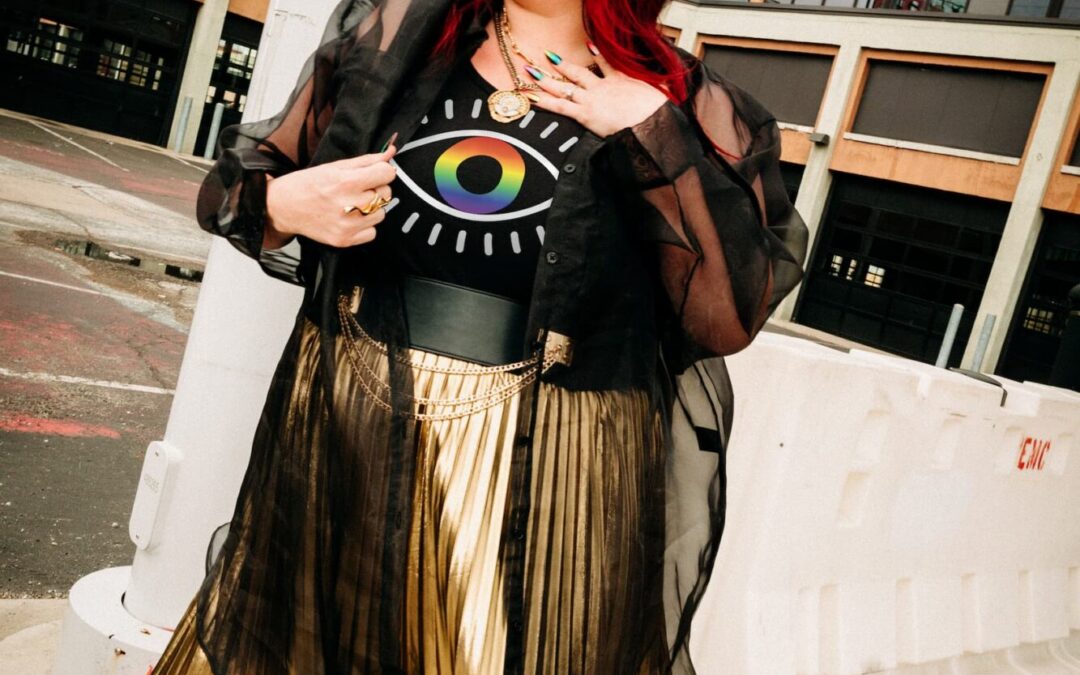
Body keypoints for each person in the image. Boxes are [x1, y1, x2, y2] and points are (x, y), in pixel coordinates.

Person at [153, 0, 808, 672]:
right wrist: (285, 203)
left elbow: (727, 314)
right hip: (350, 420)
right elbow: (230, 191)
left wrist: (651, 128)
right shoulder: (399, 41)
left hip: (551, 458)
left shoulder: (687, 100)